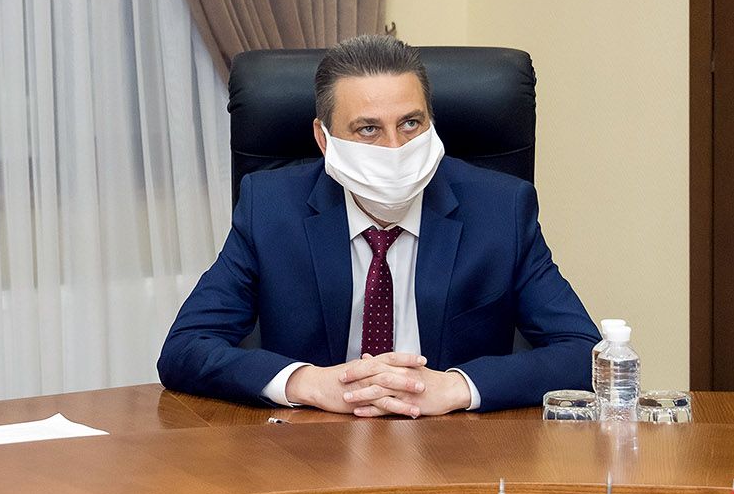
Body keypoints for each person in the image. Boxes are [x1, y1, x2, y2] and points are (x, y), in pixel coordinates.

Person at [159, 34, 598, 417]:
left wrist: (457, 387)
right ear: (323, 139)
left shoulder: (500, 209)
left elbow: (583, 353)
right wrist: (308, 383)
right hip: (311, 452)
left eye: (411, 123)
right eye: (368, 129)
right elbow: (185, 347)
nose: (395, 147)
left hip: (457, 450)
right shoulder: (271, 208)